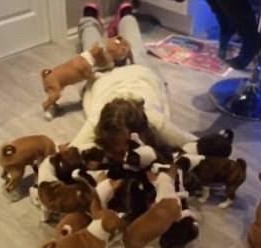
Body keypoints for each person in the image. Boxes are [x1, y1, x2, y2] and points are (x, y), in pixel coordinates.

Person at [70, 1, 197, 163]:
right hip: (105, 79)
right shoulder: (97, 120)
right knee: (94, 53)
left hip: (140, 74)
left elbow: (197, 145)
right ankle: (105, 16)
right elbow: (70, 154)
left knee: (132, 50)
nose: (123, 157)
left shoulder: (154, 120)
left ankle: (114, 14)